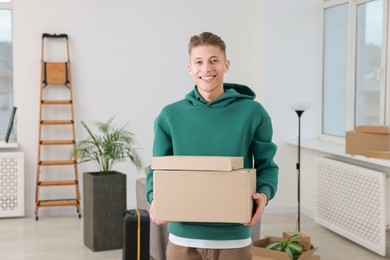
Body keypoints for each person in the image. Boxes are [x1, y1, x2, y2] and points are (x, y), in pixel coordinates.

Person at [146, 32, 278, 260]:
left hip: (234, 238)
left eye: (214, 60)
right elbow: (158, 170)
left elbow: (267, 166)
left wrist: (263, 196)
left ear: (226, 64)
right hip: (182, 239)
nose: (206, 68)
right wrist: (154, 198)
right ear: (190, 68)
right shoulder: (169, 116)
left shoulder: (253, 113)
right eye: (199, 61)